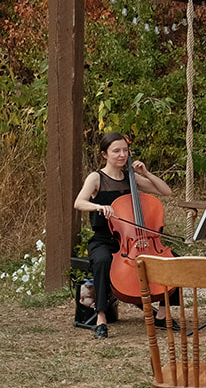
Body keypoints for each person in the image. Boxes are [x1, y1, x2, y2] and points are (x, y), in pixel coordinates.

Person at [73, 132, 173, 338]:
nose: (122, 155)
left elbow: (166, 191)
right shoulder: (96, 178)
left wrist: (146, 172)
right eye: (116, 151)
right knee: (101, 262)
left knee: (172, 260)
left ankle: (162, 315)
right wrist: (99, 207)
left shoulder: (132, 178)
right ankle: (101, 317)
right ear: (104, 154)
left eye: (125, 151)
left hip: (136, 241)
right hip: (104, 240)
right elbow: (79, 202)